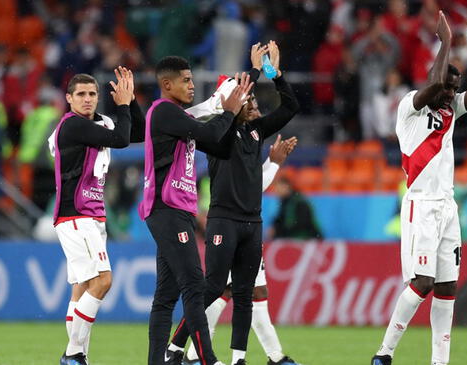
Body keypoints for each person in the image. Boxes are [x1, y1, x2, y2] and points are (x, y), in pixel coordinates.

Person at [371, 7, 467, 365]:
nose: (451, 93)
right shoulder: (408, 108)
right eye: (447, 86)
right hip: (421, 205)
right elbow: (437, 84)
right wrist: (445, 42)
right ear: (432, 80)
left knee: (447, 288)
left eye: (454, 88)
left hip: (447, 207)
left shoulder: (450, 111)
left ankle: (439, 362)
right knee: (422, 282)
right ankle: (384, 353)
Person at [168, 41, 301, 365]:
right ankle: (174, 348)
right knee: (213, 287)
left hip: (251, 223)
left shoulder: (255, 132)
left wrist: (274, 72)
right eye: (247, 97)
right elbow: (219, 114)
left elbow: (290, 106)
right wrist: (252, 72)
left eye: (252, 97)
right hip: (223, 221)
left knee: (244, 295)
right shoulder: (216, 134)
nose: (252, 101)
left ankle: (238, 359)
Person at [139, 55, 252, 365]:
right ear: (167, 84)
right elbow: (209, 133)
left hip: (176, 211)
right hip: (166, 209)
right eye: (186, 80)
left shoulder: (177, 119)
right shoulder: (163, 111)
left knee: (166, 296)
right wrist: (226, 110)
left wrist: (230, 115)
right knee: (194, 284)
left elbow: (221, 146)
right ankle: (209, 360)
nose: (192, 85)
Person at [51, 67, 143, 365]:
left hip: (92, 216)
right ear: (69, 99)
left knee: (81, 286)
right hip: (76, 214)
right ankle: (73, 353)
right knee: (103, 281)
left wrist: (131, 100)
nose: (87, 99)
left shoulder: (99, 123)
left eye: (92, 94)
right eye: (81, 94)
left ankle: (80, 357)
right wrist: (124, 107)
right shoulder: (73, 126)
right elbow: (120, 140)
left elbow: (136, 133)